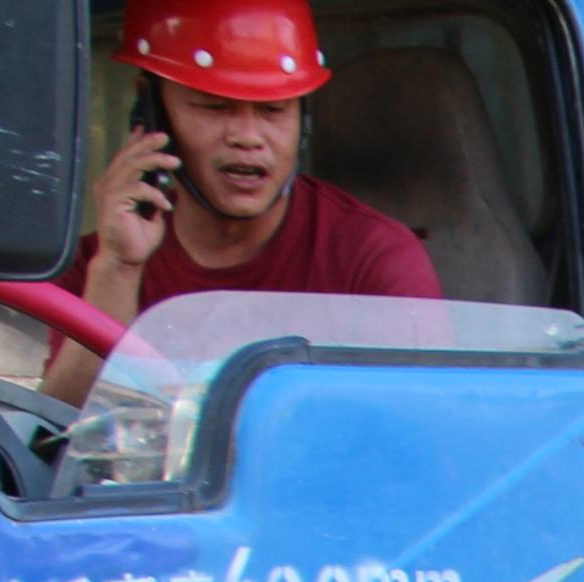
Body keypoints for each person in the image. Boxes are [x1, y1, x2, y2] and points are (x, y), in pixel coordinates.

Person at [41, 0, 440, 407]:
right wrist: (119, 270)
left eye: (273, 110)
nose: (248, 137)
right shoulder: (96, 266)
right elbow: (58, 437)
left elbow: (424, 433)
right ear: (151, 112)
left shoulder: (373, 258)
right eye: (214, 107)